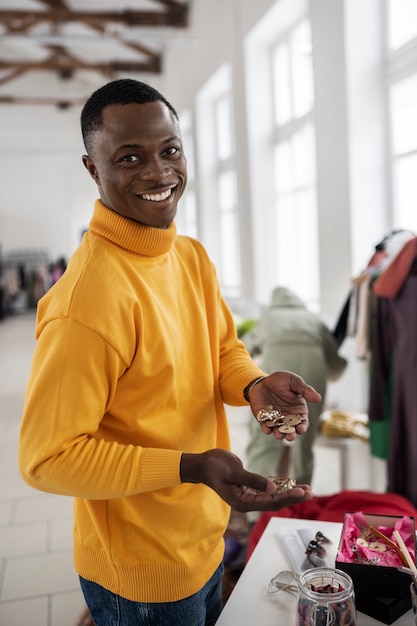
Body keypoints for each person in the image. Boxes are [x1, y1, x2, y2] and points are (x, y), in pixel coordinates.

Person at [18, 79, 321, 626]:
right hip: (141, 575)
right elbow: (48, 458)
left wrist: (254, 388)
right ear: (93, 168)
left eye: (170, 150)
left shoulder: (189, 255)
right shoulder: (86, 304)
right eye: (130, 157)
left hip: (201, 536)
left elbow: (222, 348)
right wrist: (190, 466)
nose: (159, 173)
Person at [244, 286, 347, 510]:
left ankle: (256, 508)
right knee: (304, 437)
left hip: (274, 364)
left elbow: (243, 349)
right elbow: (334, 361)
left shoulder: (268, 317)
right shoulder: (313, 319)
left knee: (264, 435)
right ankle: (300, 501)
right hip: (313, 365)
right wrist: (333, 373)